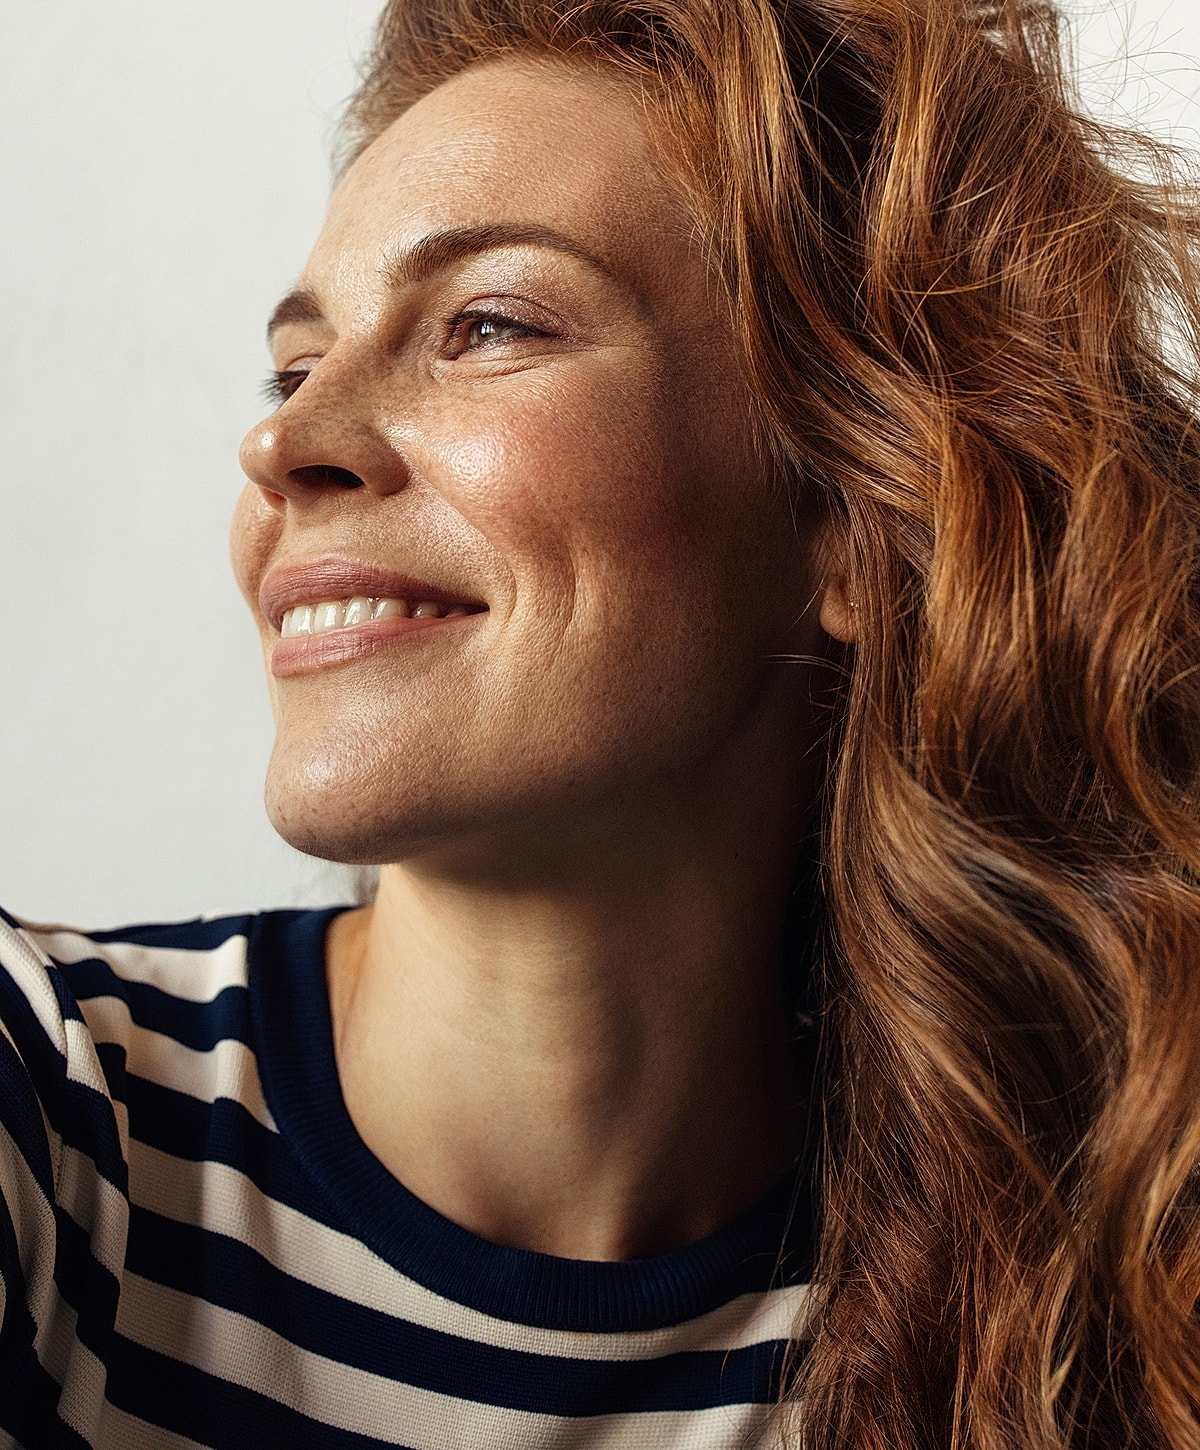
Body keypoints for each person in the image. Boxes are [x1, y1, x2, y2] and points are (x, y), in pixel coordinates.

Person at [2, 0, 1199, 1445]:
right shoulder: (48, 1103)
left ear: (852, 512)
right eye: (296, 368)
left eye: (489, 325)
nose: (282, 443)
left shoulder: (1098, 1306)